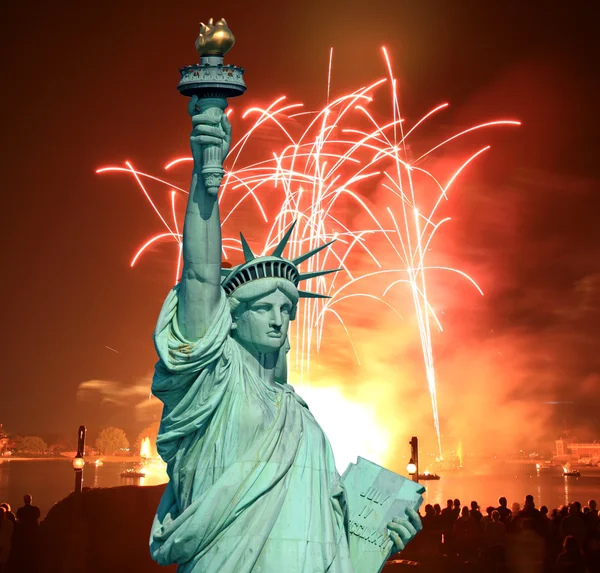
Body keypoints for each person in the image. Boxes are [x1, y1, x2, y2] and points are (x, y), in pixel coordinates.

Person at [148, 93, 421, 573]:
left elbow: (328, 539)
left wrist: (379, 537)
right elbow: (198, 275)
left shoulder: (300, 416)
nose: (279, 318)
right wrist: (205, 180)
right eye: (264, 307)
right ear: (229, 318)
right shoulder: (216, 384)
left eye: (287, 309)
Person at [0, 507, 13, 573]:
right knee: (3, 563)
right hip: (6, 545)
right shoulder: (9, 523)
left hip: (4, 545)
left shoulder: (8, 523)